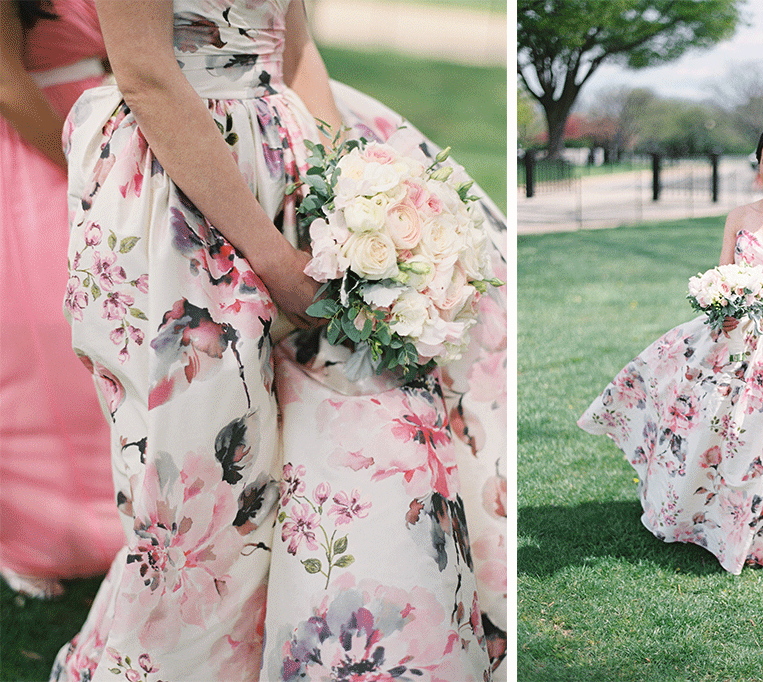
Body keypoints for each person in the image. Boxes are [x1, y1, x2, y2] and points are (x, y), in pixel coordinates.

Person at [50, 1, 505, 680]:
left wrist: (347, 207)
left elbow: (295, 47)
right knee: (204, 485)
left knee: (330, 438)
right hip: (179, 180)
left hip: (289, 163)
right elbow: (144, 72)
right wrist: (271, 259)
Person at [578, 123, 763, 575]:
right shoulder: (739, 214)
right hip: (737, 332)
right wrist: (723, 303)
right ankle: (706, 520)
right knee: (719, 424)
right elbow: (724, 272)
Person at [0, 0, 123, 600]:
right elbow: (4, 80)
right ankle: (42, 536)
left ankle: (120, 522)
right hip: (35, 144)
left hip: (96, 126)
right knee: (48, 348)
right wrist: (88, 170)